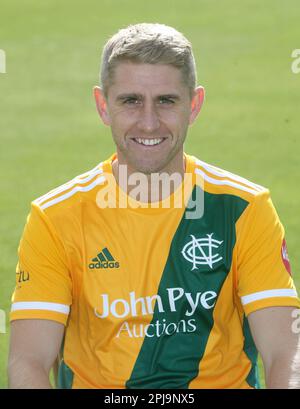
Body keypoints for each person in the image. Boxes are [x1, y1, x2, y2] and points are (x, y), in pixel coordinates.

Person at [8, 23, 300, 389]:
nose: (149, 122)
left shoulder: (244, 209)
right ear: (103, 106)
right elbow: (29, 361)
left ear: (193, 105)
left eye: (166, 100)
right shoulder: (55, 218)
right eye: (131, 100)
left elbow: (286, 353)